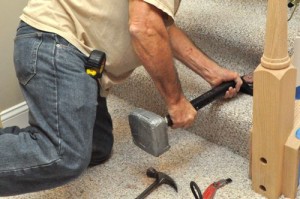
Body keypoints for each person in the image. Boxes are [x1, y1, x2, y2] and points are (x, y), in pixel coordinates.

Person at [0, 0, 242, 196]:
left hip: (86, 60)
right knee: (64, 155)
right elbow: (144, 27)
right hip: (56, 42)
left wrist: (211, 72)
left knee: (97, 149)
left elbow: (161, 27)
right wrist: (176, 100)